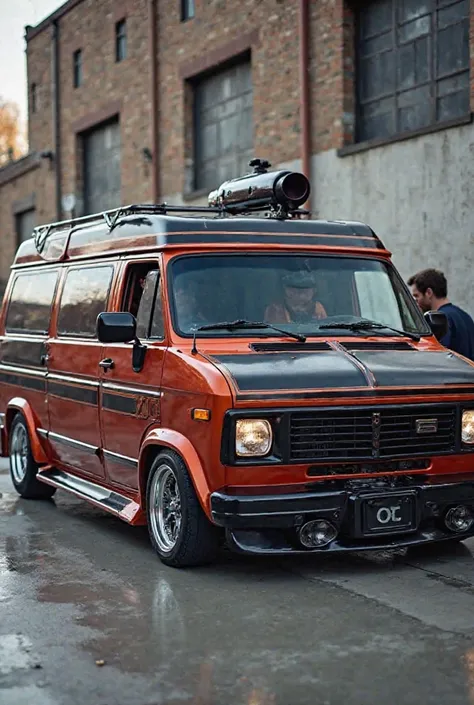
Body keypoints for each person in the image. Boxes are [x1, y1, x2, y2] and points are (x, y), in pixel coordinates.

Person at [408, 268, 474, 361]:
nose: (416, 301)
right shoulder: (465, 316)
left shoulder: (439, 320)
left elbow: (436, 357)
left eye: (417, 296)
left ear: (428, 293)